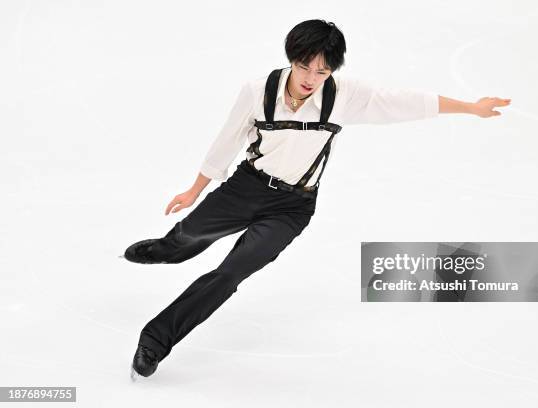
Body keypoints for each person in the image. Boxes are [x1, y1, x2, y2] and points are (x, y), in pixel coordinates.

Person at [125, 19, 511, 379]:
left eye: (322, 71)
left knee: (229, 275)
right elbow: (227, 139)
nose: (312, 78)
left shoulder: (344, 95)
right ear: (292, 59)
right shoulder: (257, 91)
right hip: (245, 188)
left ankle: (155, 341)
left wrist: (470, 108)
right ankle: (169, 248)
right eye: (305, 67)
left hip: (292, 208)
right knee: (190, 236)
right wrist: (195, 189)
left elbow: (404, 100)